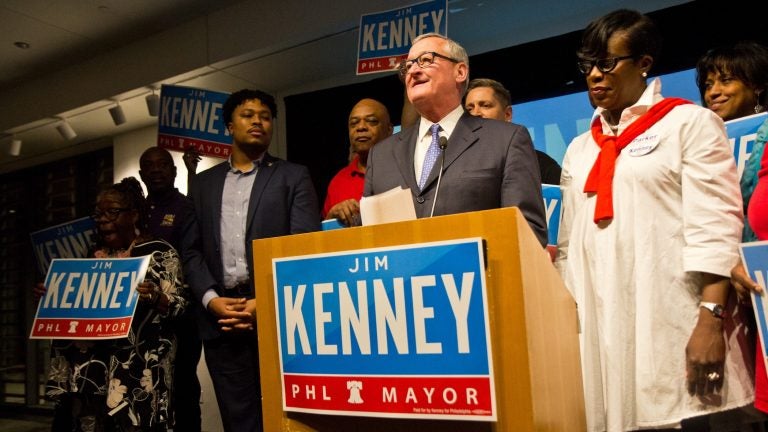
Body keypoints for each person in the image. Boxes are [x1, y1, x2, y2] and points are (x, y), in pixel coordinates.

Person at [556, 9, 753, 431]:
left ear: (644, 63)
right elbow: (570, 246)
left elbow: (715, 226)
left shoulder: (690, 124)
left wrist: (710, 319)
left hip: (673, 321)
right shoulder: (579, 149)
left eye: (607, 63)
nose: (594, 75)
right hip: (601, 334)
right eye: (587, 65)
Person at [181, 89, 320, 432]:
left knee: (290, 419)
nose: (258, 121)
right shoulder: (201, 185)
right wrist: (212, 301)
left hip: (281, 317)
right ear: (229, 125)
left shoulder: (293, 176)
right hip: (221, 320)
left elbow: (304, 247)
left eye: (265, 116)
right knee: (239, 421)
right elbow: (191, 251)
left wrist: (266, 303)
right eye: (248, 114)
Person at [363, 33, 548, 247]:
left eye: (426, 60)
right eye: (407, 66)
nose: (413, 70)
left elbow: (527, 232)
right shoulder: (381, 155)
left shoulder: (506, 140)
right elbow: (368, 241)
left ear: (460, 72)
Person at [45, 177, 189, 431]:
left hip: (137, 373)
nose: (102, 219)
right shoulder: (92, 256)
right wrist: (54, 296)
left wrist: (156, 297)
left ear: (133, 215)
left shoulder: (159, 253)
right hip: (92, 372)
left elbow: (179, 306)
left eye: (111, 212)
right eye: (98, 214)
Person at [697, 41, 768, 416]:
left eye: (726, 80)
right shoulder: (698, 140)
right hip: (723, 282)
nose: (714, 92)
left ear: (756, 85)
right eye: (708, 84)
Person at [138, 146, 202, 432]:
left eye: (162, 165)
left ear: (173, 170)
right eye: (149, 167)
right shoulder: (136, 212)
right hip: (144, 318)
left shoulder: (186, 206)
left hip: (182, 312)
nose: (156, 171)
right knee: (148, 384)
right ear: (141, 175)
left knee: (184, 383)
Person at [463, 78, 562, 185]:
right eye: (469, 109)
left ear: (507, 114)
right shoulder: (458, 165)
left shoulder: (540, 165)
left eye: (485, 105)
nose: (476, 113)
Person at [322, 98, 393, 226]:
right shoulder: (338, 181)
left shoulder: (405, 170)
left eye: (371, 121)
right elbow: (323, 238)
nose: (360, 127)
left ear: (389, 130)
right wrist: (332, 217)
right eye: (354, 123)